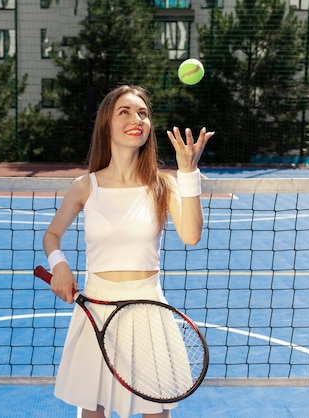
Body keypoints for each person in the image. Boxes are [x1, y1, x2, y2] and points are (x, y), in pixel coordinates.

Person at [42, 85, 214, 418]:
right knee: (93, 410)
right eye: (125, 112)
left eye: (143, 113)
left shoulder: (163, 184)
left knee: (155, 412)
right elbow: (51, 235)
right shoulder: (85, 186)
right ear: (107, 123)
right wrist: (59, 265)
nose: (136, 119)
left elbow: (191, 235)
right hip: (97, 307)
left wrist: (188, 171)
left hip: (149, 308)